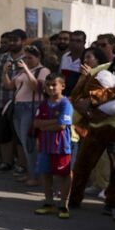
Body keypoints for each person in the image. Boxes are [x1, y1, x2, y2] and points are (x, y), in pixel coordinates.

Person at [70, 35, 115, 219]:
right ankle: (72, 198)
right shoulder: (101, 68)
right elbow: (82, 87)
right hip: (96, 123)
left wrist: (91, 101)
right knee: (83, 163)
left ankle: (113, 203)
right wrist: (79, 101)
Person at [4, 45, 49, 186]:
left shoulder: (43, 70)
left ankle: (36, 177)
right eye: (26, 57)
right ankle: (31, 173)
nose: (27, 60)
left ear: (39, 57)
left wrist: (27, 70)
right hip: (18, 108)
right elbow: (10, 86)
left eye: (30, 57)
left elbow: (37, 87)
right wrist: (5, 72)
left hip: (31, 108)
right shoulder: (22, 71)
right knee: (24, 143)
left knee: (30, 144)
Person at [33, 73, 74, 218]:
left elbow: (62, 126)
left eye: (54, 85)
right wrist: (53, 122)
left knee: (64, 175)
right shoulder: (43, 104)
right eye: (48, 85)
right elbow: (36, 123)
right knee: (46, 173)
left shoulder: (65, 104)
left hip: (62, 146)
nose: (50, 88)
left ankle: (64, 205)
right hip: (44, 146)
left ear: (62, 86)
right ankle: (48, 203)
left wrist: (46, 125)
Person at [0, 29, 27, 173]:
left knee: (19, 135)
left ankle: (22, 164)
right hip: (0, 100)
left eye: (15, 40)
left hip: (19, 102)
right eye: (10, 40)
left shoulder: (27, 59)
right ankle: (6, 162)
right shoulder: (2, 57)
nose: (12, 43)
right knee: (3, 133)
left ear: (23, 41)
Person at [59, 30, 86, 95]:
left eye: (78, 41)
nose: (74, 43)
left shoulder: (87, 58)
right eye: (72, 40)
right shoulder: (65, 56)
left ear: (84, 43)